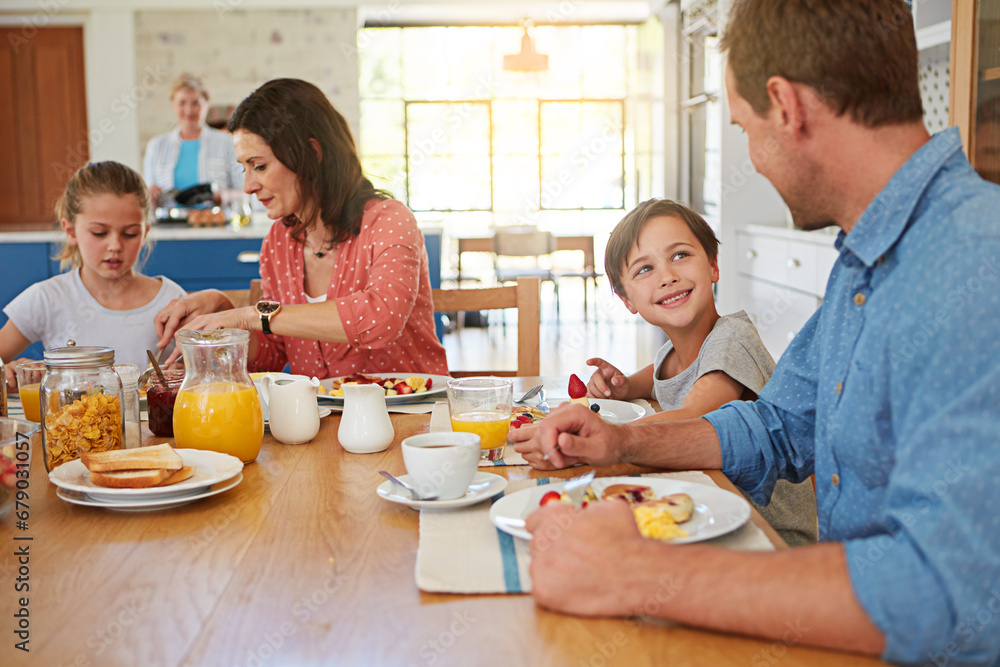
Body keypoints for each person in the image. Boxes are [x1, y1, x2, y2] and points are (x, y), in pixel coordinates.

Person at [509, 0, 1000, 663]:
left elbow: (944, 592)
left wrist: (633, 572)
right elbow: (774, 426)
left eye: (743, 128)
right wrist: (622, 437)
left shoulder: (974, 258)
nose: (755, 159)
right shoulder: (871, 258)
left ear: (785, 105)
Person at [519, 198, 817, 546]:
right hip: (709, 508)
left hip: (767, 533)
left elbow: (693, 415)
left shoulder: (732, 338)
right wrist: (624, 386)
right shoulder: (674, 350)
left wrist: (603, 434)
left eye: (680, 255)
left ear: (713, 266)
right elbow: (660, 375)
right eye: (645, 269)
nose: (668, 277)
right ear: (627, 300)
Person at [154, 78, 448, 379]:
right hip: (319, 423)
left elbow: (380, 318)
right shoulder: (279, 242)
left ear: (311, 154)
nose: (249, 186)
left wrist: (249, 315)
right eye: (245, 168)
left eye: (260, 166)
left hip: (412, 418)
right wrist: (223, 311)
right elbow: (273, 353)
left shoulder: (389, 221)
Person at [1, 161, 186, 391]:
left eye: (130, 233)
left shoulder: (172, 299)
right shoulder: (47, 298)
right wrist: (8, 371)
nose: (115, 245)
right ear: (70, 231)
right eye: (99, 233)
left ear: (145, 232)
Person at [142, 73, 243, 207]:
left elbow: (246, 192)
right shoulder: (156, 146)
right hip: (170, 225)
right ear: (173, 104)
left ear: (206, 104)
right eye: (182, 103)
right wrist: (151, 195)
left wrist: (226, 196)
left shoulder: (227, 142)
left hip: (215, 224)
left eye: (195, 103)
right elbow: (146, 198)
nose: (189, 110)